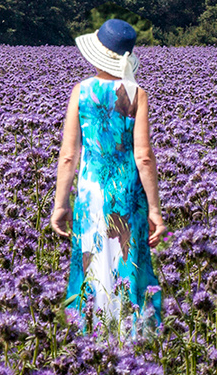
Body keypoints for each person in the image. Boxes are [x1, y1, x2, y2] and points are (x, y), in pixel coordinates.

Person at [50, 18, 167, 336]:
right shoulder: (137, 93)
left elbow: (68, 156)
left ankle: (89, 333)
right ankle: (134, 335)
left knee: (91, 261)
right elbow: (143, 157)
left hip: (91, 195)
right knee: (128, 261)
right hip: (128, 195)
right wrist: (155, 210)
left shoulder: (82, 91)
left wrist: (60, 205)